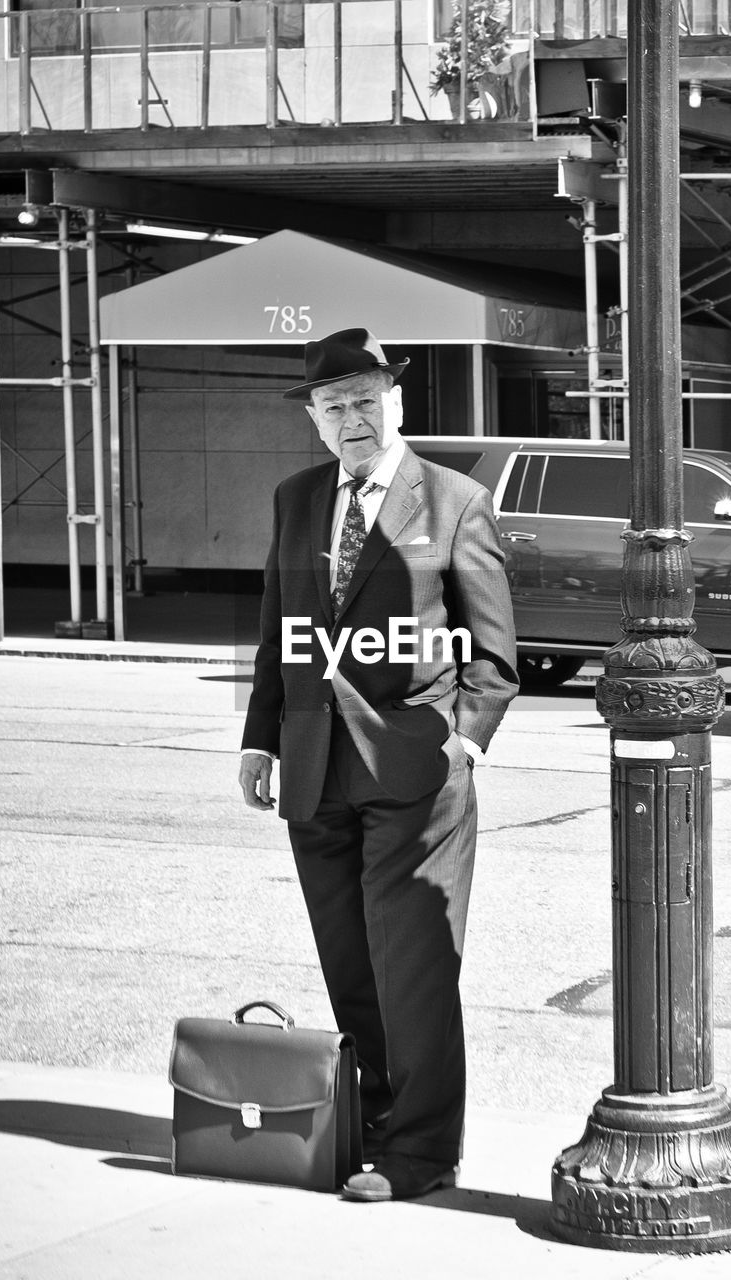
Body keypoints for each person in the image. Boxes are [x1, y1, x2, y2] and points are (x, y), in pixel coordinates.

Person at [238, 327, 519, 1202]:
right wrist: (259, 737)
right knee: (350, 964)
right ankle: (372, 1124)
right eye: (333, 406)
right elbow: (278, 629)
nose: (351, 418)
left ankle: (422, 1152)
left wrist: (462, 742)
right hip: (315, 767)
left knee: (414, 966)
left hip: (415, 772)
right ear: (315, 421)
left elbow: (496, 650)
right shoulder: (296, 497)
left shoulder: (455, 500)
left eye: (365, 400)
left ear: (397, 403)